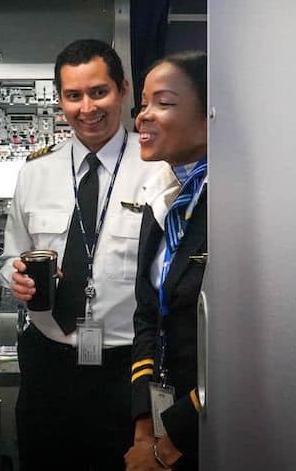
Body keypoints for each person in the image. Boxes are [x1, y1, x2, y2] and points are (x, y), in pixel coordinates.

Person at [0, 39, 164, 470]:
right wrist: (13, 277)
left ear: (123, 90)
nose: (86, 108)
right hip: (49, 363)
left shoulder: (159, 172)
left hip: (125, 366)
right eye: (73, 96)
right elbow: (8, 257)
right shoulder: (36, 173)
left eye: (98, 92)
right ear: (61, 100)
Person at [124, 52, 208, 471]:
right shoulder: (160, 197)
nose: (143, 117)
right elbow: (147, 316)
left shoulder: (241, 206)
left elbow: (243, 352)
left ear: (210, 113)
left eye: (164, 103)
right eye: (142, 104)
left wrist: (168, 445)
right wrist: (145, 427)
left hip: (216, 429)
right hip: (163, 426)